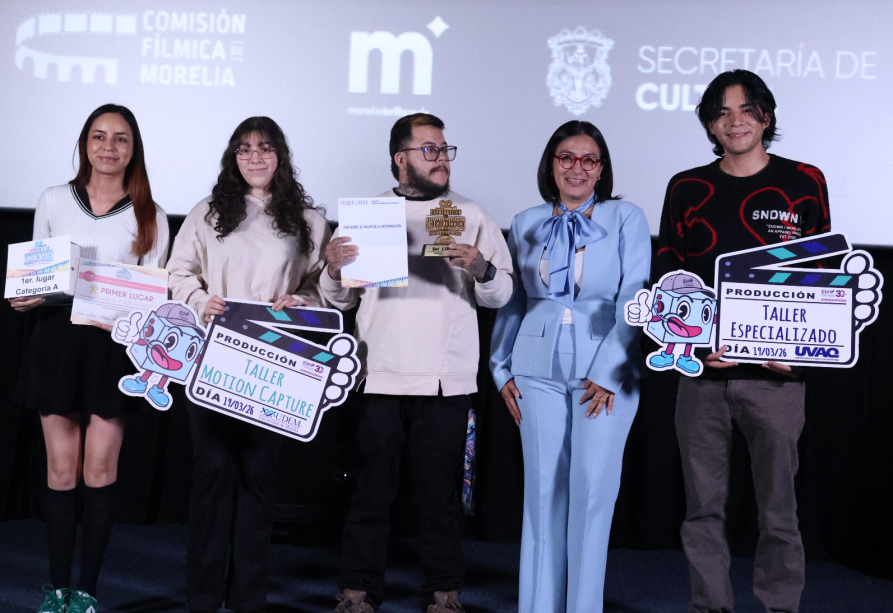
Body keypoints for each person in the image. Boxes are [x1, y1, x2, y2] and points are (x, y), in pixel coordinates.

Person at [320, 113, 512, 613]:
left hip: (446, 380)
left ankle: (444, 593)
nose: (441, 158)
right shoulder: (369, 214)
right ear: (400, 159)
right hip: (378, 374)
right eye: (430, 149)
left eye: (445, 149)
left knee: (441, 496)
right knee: (369, 492)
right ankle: (358, 590)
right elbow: (340, 300)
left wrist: (482, 268)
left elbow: (501, 294)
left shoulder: (471, 213)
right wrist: (334, 270)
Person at [656, 69, 831, 613]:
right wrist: (689, 348)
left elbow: (822, 278)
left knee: (779, 510)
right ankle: (710, 606)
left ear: (766, 117)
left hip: (776, 382)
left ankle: (780, 607)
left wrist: (798, 357)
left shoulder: (804, 181)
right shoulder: (687, 187)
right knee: (702, 509)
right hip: (702, 379)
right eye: (722, 112)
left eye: (747, 109)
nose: (735, 122)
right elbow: (669, 277)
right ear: (710, 124)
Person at [167, 116, 331, 613]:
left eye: (264, 147)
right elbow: (177, 272)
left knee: (259, 477)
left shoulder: (308, 220)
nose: (254, 157)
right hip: (212, 358)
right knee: (213, 473)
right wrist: (201, 300)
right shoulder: (208, 211)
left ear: (280, 155)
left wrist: (300, 302)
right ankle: (202, 597)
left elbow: (322, 289)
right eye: (244, 148)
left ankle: (248, 598)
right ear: (232, 157)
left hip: (274, 364)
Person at [10, 104, 169, 613]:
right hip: (57, 344)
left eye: (120, 138)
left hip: (114, 350)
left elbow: (155, 296)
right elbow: (36, 272)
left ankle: (87, 593)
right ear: (85, 144)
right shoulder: (54, 199)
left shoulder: (150, 214)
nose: (108, 147)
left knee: (99, 470)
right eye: (98, 136)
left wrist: (130, 316)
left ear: (133, 149)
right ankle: (57, 591)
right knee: (60, 471)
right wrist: (27, 294)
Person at [489, 120, 651, 613]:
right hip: (534, 368)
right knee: (542, 495)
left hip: (604, 373)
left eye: (588, 160)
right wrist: (500, 368)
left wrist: (610, 369)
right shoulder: (525, 221)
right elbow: (513, 301)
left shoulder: (626, 217)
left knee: (591, 493)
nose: (576, 168)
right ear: (551, 165)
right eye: (566, 157)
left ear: (601, 169)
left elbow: (635, 297)